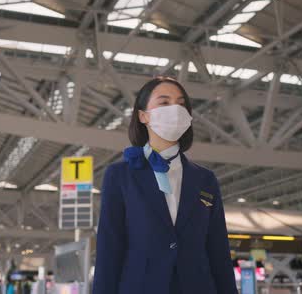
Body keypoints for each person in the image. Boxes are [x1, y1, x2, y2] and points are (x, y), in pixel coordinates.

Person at [92, 77, 237, 294]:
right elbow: (109, 249)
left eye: (181, 104)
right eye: (164, 102)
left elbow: (218, 251)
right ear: (143, 116)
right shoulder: (120, 176)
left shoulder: (205, 179)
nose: (175, 109)